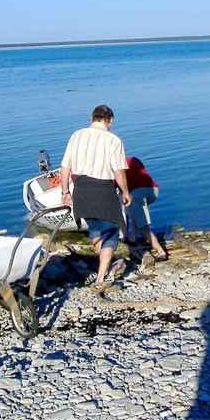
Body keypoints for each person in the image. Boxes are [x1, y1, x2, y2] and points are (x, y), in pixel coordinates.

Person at [59, 105, 132, 288]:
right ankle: (101, 277)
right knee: (111, 232)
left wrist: (65, 192)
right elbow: (119, 172)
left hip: (81, 189)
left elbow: (65, 168)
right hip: (103, 189)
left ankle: (105, 268)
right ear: (110, 120)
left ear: (92, 118)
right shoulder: (113, 140)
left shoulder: (76, 135)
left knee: (94, 229)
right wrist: (125, 192)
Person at [123, 157, 168, 261]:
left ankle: (161, 252)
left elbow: (115, 184)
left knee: (144, 227)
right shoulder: (132, 159)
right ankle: (132, 237)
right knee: (135, 211)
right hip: (153, 190)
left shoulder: (116, 167)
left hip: (136, 193)